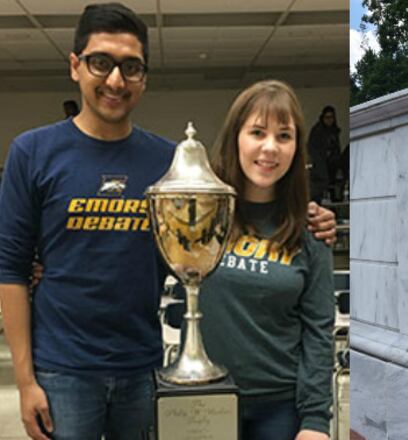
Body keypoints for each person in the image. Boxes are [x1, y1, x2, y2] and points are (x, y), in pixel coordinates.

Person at [0, 4, 336, 440]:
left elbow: (193, 247)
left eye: (131, 67)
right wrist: (25, 382)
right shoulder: (32, 153)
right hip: (64, 369)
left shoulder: (170, 163)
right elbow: (10, 268)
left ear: (145, 77)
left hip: (144, 366)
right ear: (75, 66)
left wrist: (313, 215)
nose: (116, 80)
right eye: (101, 62)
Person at [201, 79, 334, 440]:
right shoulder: (200, 218)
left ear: (296, 148)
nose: (270, 147)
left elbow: (319, 332)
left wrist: (315, 421)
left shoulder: (312, 229)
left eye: (284, 136)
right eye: (257, 132)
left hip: (280, 409)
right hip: (203, 400)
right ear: (236, 138)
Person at [307, 105, 341, 204]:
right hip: (319, 168)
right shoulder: (317, 131)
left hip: (331, 166)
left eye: (331, 117)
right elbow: (313, 151)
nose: (329, 120)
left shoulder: (334, 131)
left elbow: (336, 149)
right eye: (327, 117)